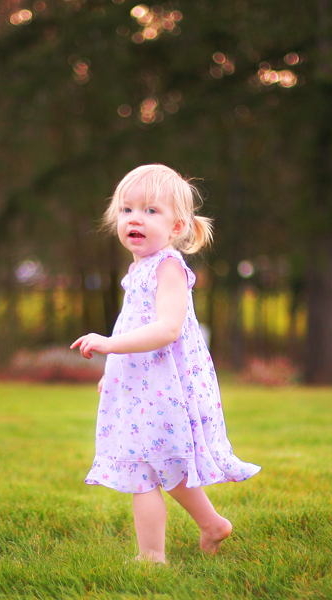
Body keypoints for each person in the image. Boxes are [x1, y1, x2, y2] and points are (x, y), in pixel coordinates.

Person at [71, 164, 261, 564]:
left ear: (177, 227)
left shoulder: (169, 267)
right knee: (152, 468)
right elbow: (132, 325)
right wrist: (114, 373)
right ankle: (206, 528)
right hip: (142, 385)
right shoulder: (137, 269)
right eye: (126, 210)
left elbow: (167, 329)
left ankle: (155, 556)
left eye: (150, 211)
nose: (135, 219)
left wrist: (108, 345)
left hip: (167, 388)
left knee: (150, 470)